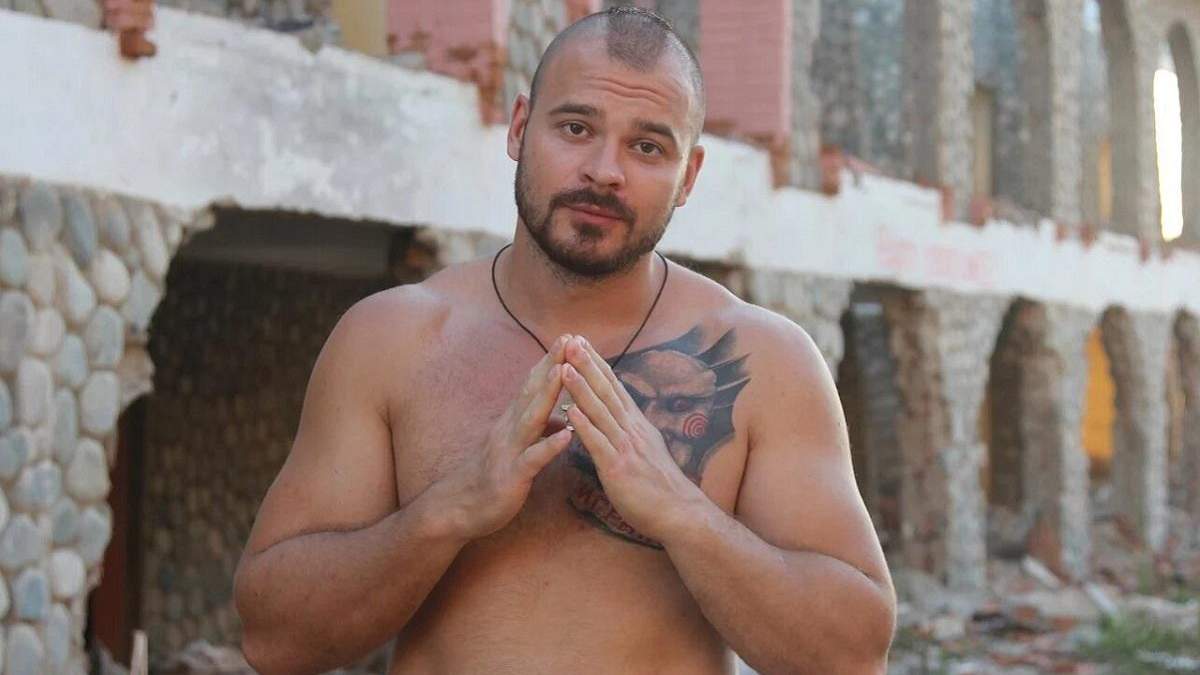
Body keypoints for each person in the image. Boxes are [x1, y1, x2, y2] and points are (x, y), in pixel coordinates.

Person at [233, 7, 895, 674]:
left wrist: (679, 511)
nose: (605, 171)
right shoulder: (393, 340)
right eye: (576, 128)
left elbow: (854, 655)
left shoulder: (767, 362)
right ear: (520, 128)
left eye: (647, 147)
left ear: (688, 178)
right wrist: (452, 509)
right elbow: (273, 638)